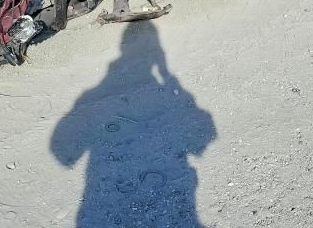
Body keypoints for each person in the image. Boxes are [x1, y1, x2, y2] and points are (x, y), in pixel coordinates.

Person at [51, 21, 216, 227]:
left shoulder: (88, 96)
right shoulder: (168, 92)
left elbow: (63, 152)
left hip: (98, 198)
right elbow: (205, 137)